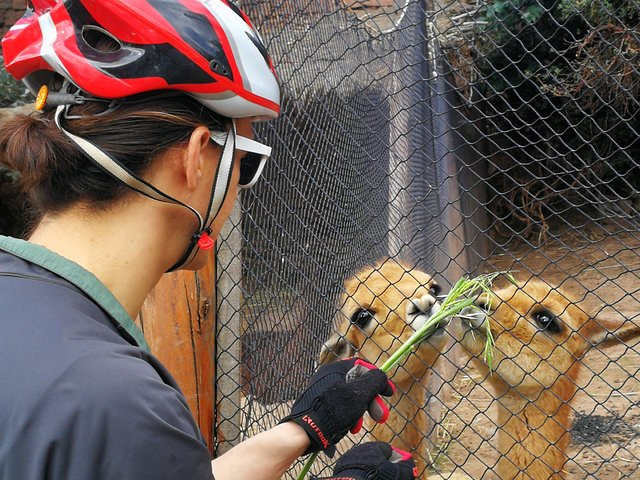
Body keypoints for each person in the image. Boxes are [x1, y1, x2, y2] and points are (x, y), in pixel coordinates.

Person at [0, 1, 418, 480]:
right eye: (248, 161)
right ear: (196, 157)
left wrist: (301, 429)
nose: (241, 187)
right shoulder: (114, 397)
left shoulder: (53, 345)